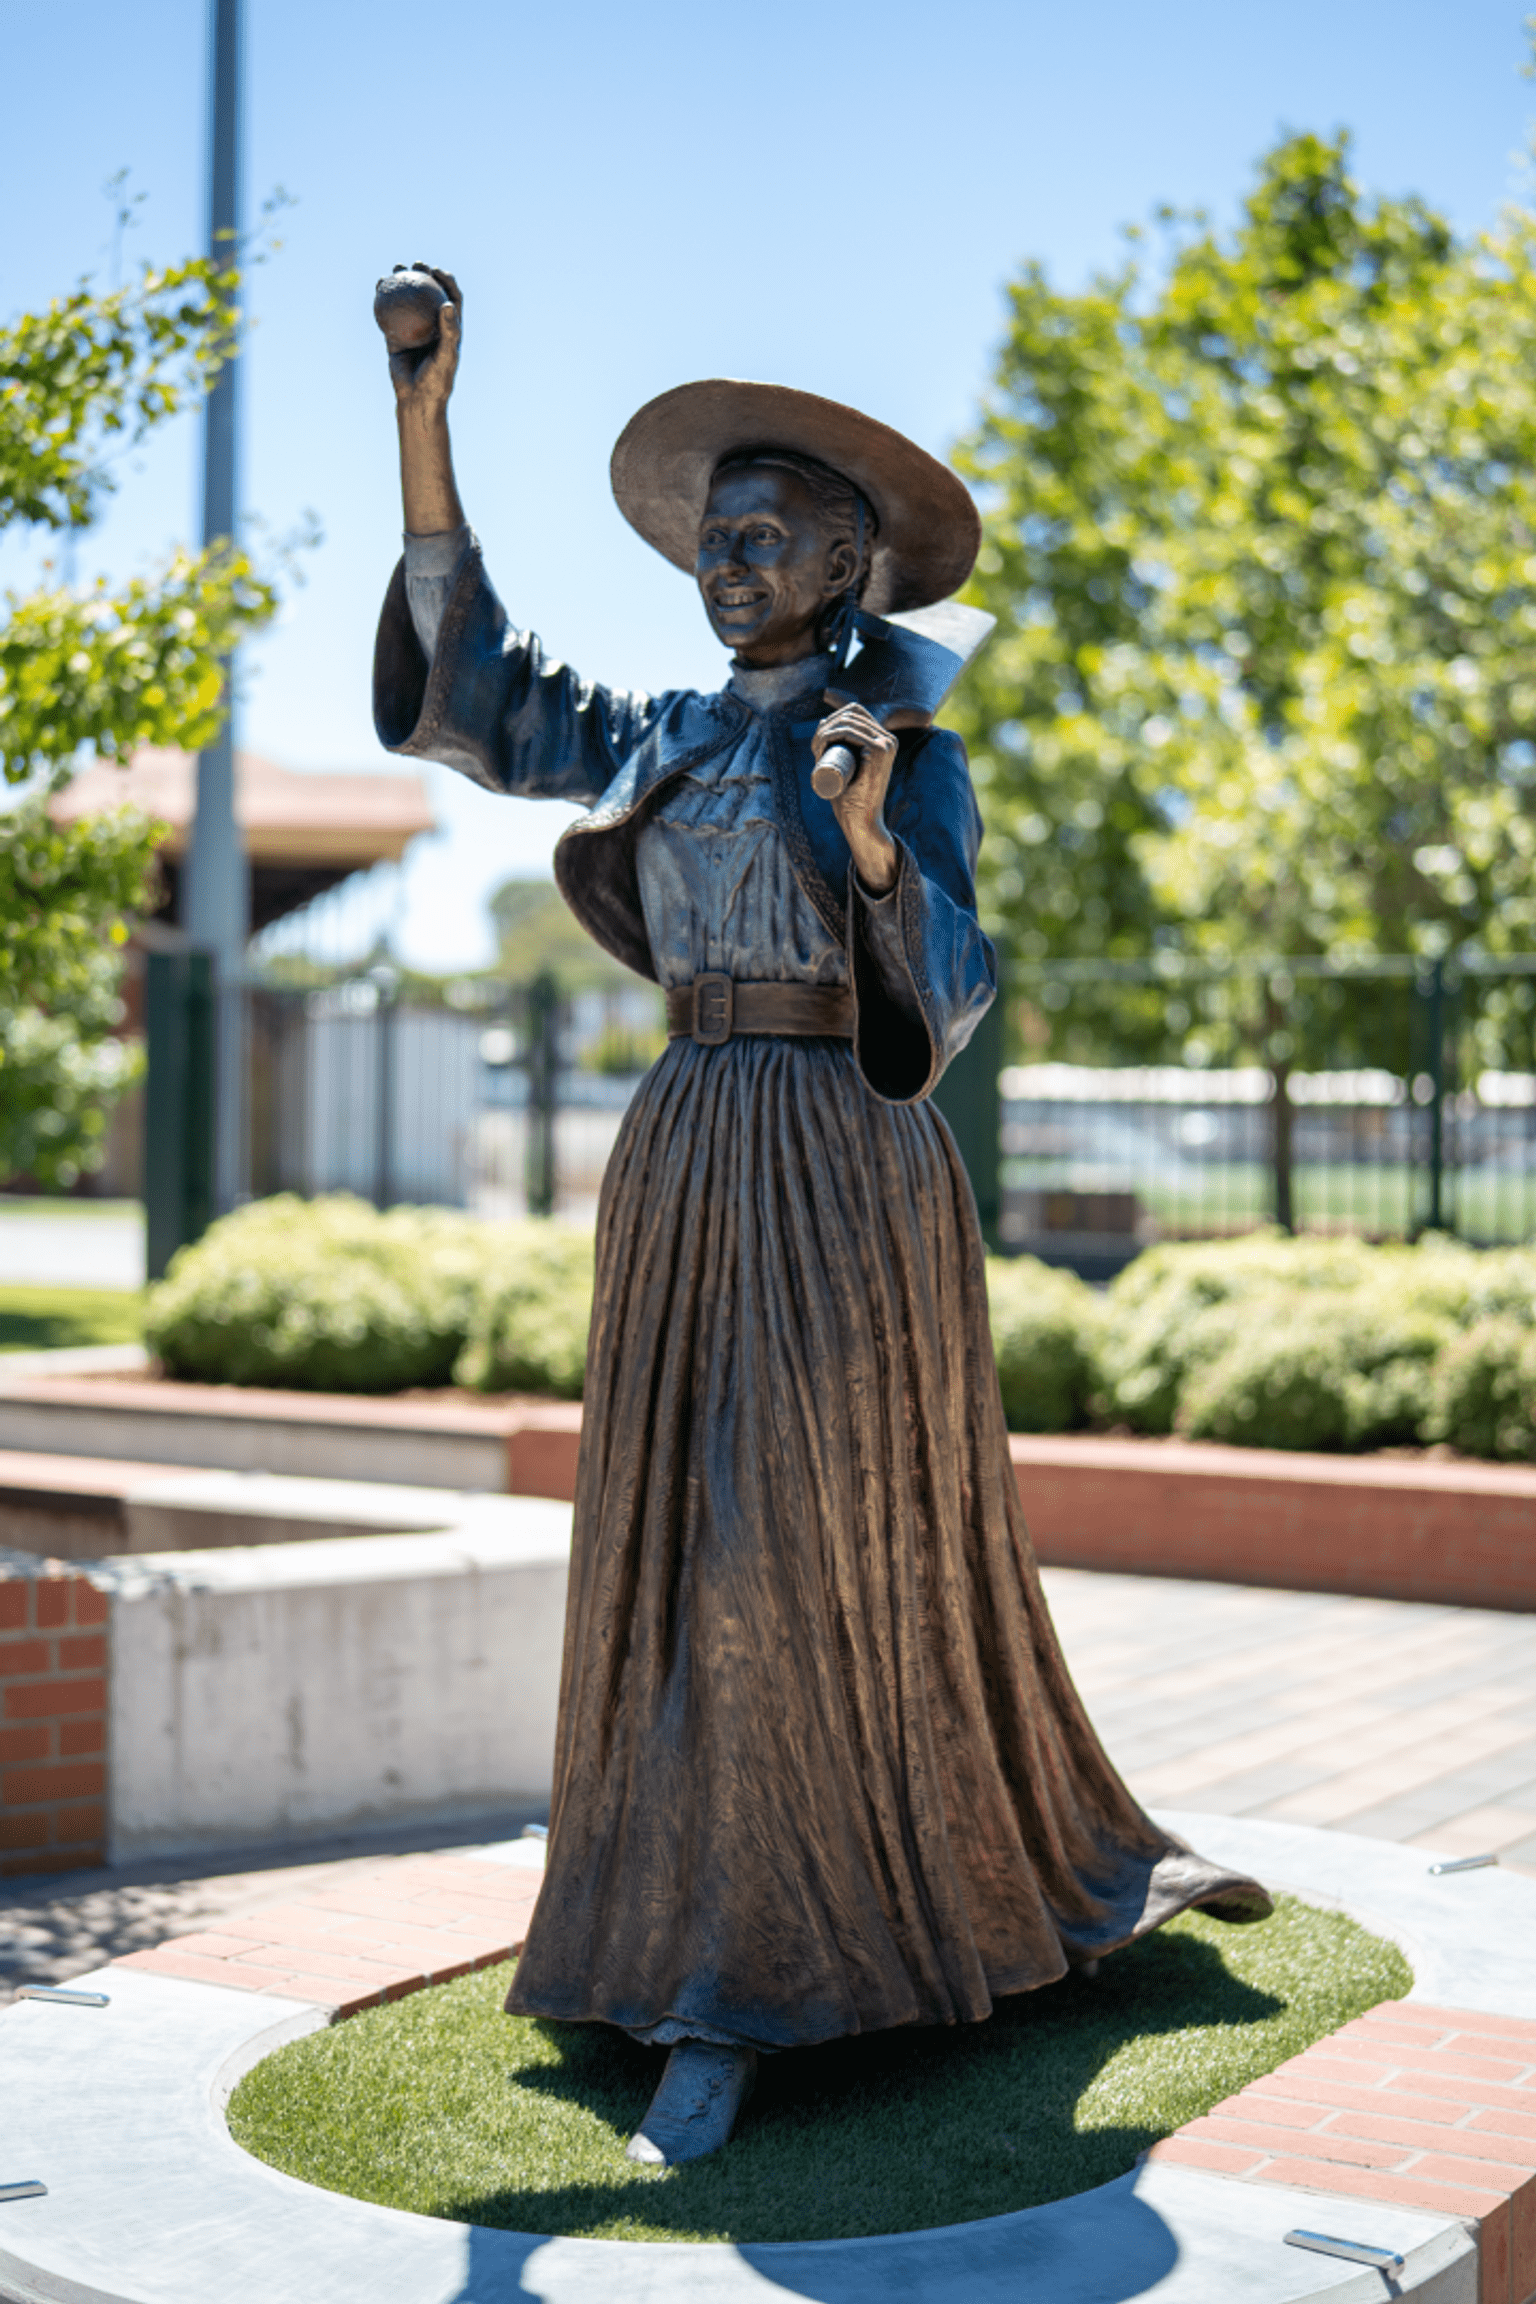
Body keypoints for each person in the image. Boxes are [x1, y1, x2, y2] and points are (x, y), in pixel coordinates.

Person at [373, 266, 1270, 2169]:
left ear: (851, 564)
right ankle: (682, 1946)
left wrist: (866, 844)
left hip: (845, 1171)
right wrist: (424, 414)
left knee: (793, 1548)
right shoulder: (664, 738)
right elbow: (467, 698)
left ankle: (779, 1976)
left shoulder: (903, 754)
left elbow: (946, 993)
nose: (729, 558)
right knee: (675, 1551)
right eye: (715, 537)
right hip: (689, 1151)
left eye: (767, 536)